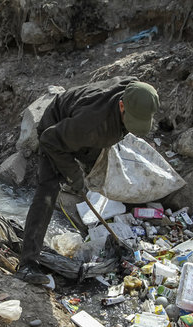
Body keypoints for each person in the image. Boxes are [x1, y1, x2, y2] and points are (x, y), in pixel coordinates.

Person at [16, 76, 159, 284]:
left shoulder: (135, 90)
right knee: (48, 191)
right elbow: (49, 139)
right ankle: (27, 263)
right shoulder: (92, 124)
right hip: (55, 128)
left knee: (92, 165)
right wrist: (73, 174)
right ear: (121, 105)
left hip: (81, 126)